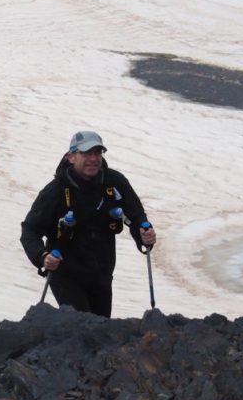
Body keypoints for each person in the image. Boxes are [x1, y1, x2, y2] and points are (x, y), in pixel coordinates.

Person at [20, 130, 156, 317]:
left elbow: (137, 216)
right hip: (66, 275)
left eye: (97, 153)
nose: (93, 159)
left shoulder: (115, 182)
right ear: (71, 157)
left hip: (102, 275)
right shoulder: (55, 191)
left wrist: (144, 235)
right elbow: (29, 230)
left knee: (101, 327)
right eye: (86, 153)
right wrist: (43, 257)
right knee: (82, 325)